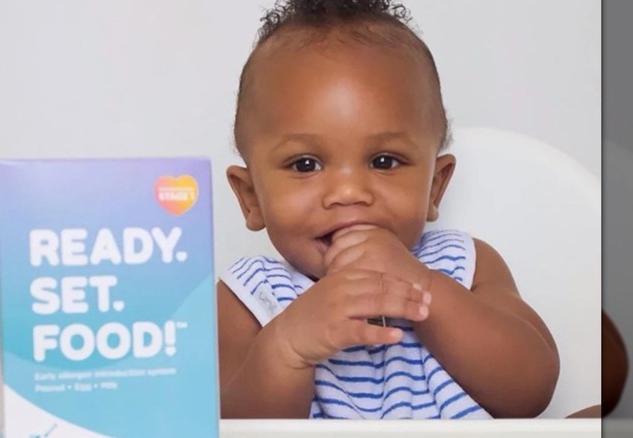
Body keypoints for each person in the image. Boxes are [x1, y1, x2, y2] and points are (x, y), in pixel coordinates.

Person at [217, 0, 559, 420]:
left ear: (435, 186)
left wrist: (422, 287)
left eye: (384, 161)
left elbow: (531, 391)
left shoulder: (463, 265)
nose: (349, 192)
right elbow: (228, 425)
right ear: (251, 198)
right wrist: (286, 348)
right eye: (305, 164)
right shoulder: (250, 296)